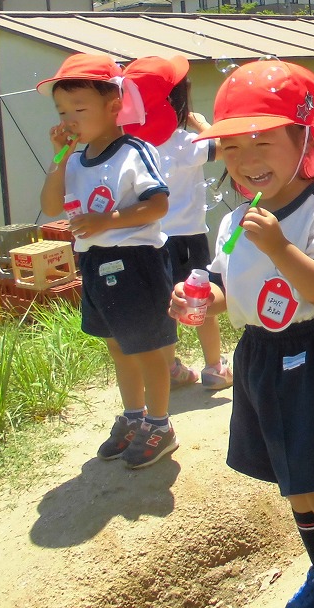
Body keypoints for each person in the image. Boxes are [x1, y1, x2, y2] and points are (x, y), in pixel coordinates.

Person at [170, 59, 314, 608]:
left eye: (262, 142)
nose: (245, 161)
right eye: (232, 148)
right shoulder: (237, 220)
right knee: (296, 486)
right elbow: (222, 284)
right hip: (260, 355)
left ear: (303, 137)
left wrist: (281, 249)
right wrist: (199, 301)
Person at [37, 53, 179, 469]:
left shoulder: (134, 150)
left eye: (80, 108)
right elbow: (49, 205)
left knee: (148, 348)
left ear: (114, 107)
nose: (70, 118)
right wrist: (60, 156)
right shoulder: (75, 159)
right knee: (118, 347)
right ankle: (133, 418)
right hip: (95, 263)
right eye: (63, 110)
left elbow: (158, 205)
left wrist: (108, 220)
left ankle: (159, 424)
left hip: (136, 262)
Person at [121, 55, 232, 392]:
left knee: (168, 304)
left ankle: (170, 368)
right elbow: (226, 145)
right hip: (189, 237)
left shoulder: (133, 147)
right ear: (176, 102)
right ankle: (214, 367)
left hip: (151, 239)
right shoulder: (185, 142)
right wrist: (202, 125)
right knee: (201, 301)